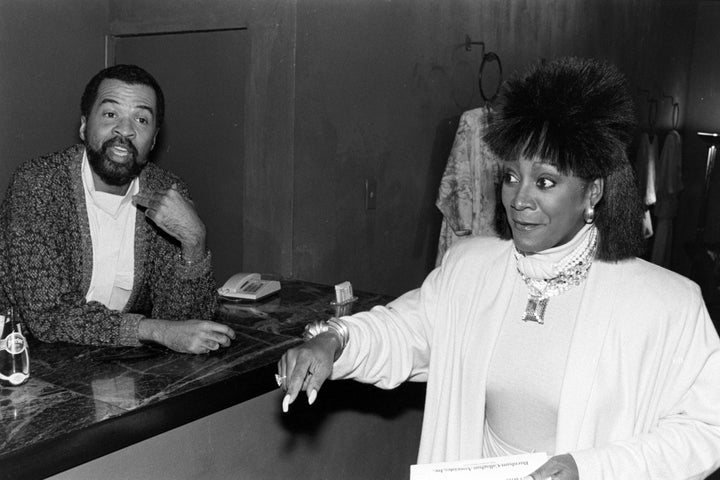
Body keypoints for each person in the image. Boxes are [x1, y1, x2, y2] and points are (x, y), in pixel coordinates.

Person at [277, 57, 720, 479]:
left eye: (544, 182)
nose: (519, 199)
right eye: (510, 177)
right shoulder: (471, 270)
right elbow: (405, 329)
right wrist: (333, 341)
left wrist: (591, 470)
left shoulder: (664, 304)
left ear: (593, 193)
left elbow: (708, 429)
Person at [0, 64, 235, 354]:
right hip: (22, 364)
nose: (125, 130)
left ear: (154, 138)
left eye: (141, 119)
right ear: (85, 126)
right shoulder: (39, 184)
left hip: (111, 366)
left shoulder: (166, 193)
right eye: (111, 114)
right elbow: (48, 315)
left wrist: (195, 242)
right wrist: (152, 330)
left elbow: (185, 324)